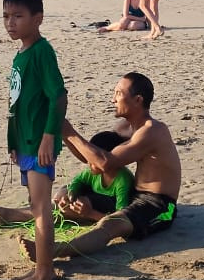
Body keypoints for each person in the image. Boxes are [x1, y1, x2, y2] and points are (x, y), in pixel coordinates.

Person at [47, 73, 181, 260]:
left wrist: (69, 130)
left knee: (111, 224)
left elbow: (106, 162)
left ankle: (54, 251)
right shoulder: (124, 128)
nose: (113, 99)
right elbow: (94, 159)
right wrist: (64, 133)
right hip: (133, 194)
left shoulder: (153, 130)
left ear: (138, 100)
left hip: (159, 204)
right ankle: (3, 215)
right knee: (67, 198)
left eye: (118, 93)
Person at [0, 0, 67, 280]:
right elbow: (16, 105)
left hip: (40, 144)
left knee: (41, 209)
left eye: (18, 16)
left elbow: (58, 96)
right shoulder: (20, 56)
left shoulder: (42, 52)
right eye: (6, 17)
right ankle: (44, 268)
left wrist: (48, 137)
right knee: (35, 204)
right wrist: (12, 142)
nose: (11, 23)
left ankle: (43, 275)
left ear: (38, 18)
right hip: (24, 142)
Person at [0, 130, 135, 228]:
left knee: (64, 211)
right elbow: (77, 182)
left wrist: (90, 214)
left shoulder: (122, 181)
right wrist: (71, 195)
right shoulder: (91, 173)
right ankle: (6, 215)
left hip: (100, 211)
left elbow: (121, 220)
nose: (89, 162)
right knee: (61, 198)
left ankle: (6, 215)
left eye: (94, 159)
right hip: (87, 203)